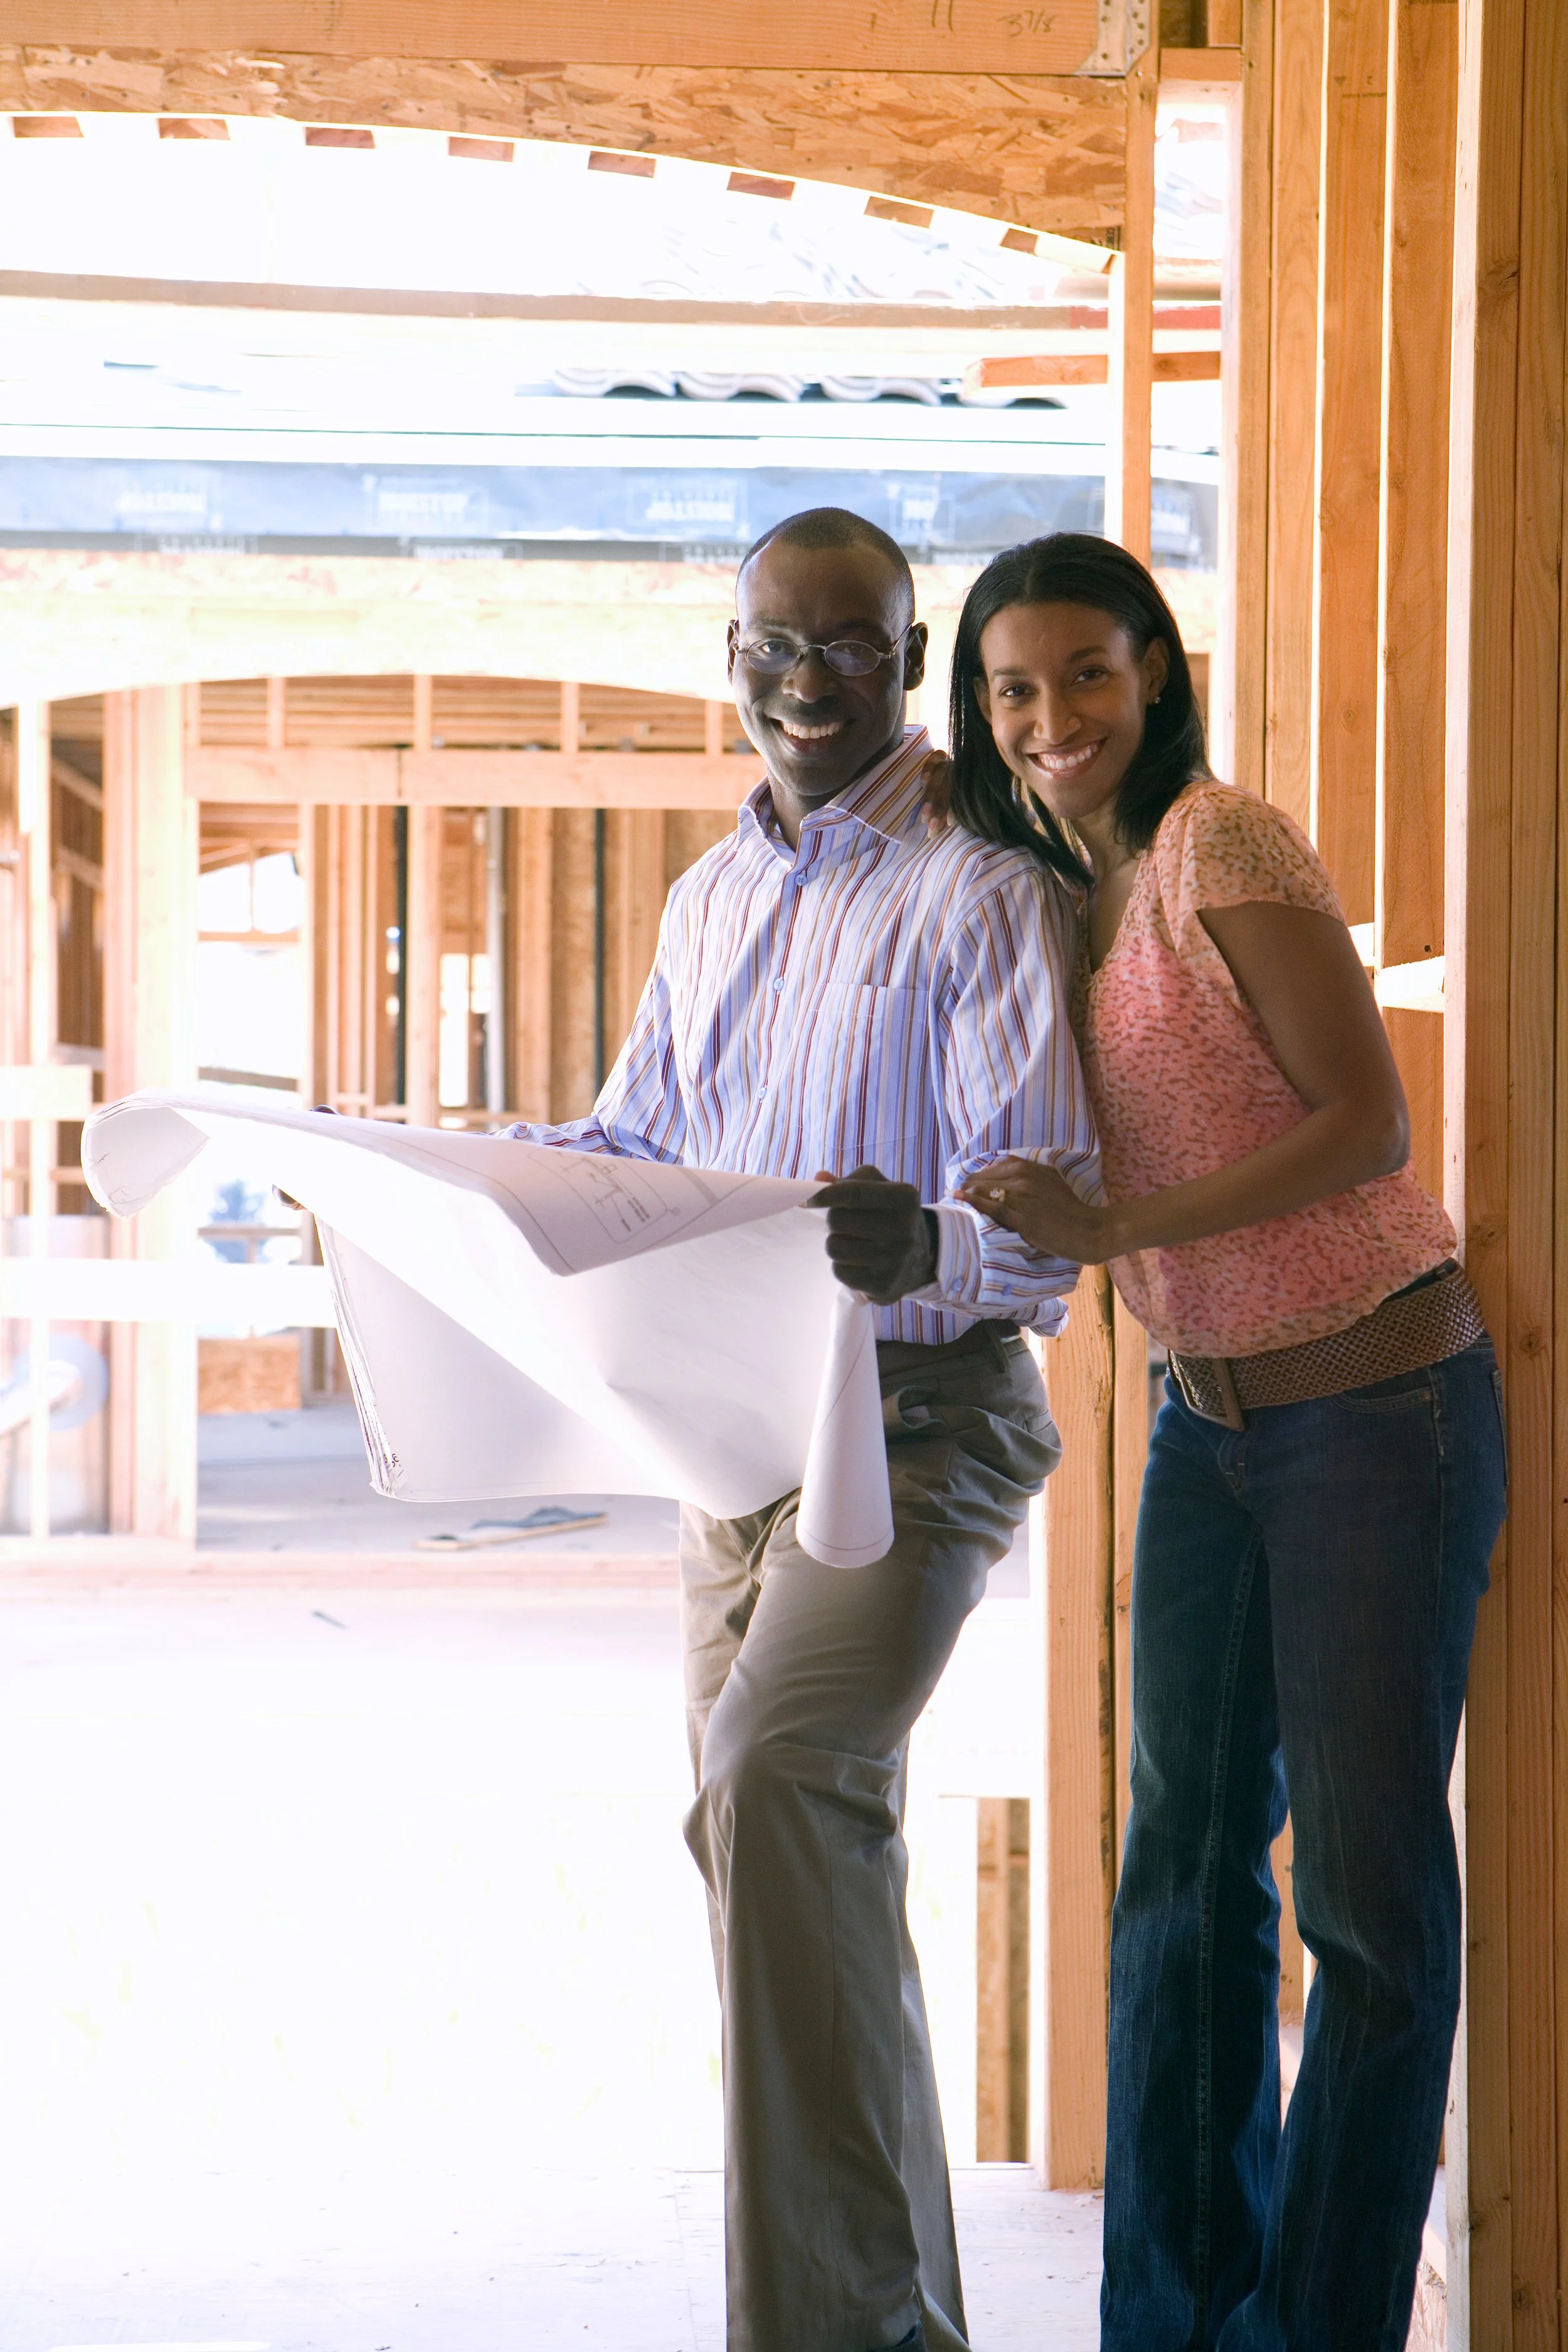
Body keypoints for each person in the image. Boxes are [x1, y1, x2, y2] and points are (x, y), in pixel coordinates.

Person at [506, 508, 1097, 2352]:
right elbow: (628, 1152)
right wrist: (432, 1171)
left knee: (776, 1782)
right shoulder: (708, 899)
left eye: (852, 644)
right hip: (730, 1442)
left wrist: (923, 1233)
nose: (810, 678)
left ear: (908, 666)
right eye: (778, 643)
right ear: (732, 660)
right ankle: (900, 2318)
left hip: (919, 1420)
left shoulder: (980, 889)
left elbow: (1053, 1229)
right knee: (786, 1862)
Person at [938, 532, 1506, 2351]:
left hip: (1373, 1398)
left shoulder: (1217, 844)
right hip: (1210, 1418)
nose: (1052, 719)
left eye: (1085, 674)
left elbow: (1365, 1123)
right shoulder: (1047, 887)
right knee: (1179, 1870)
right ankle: (1174, 2323)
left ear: (1156, 672)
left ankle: (1323, 2327)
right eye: (1014, 689)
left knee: (1361, 1905)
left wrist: (1111, 1231)